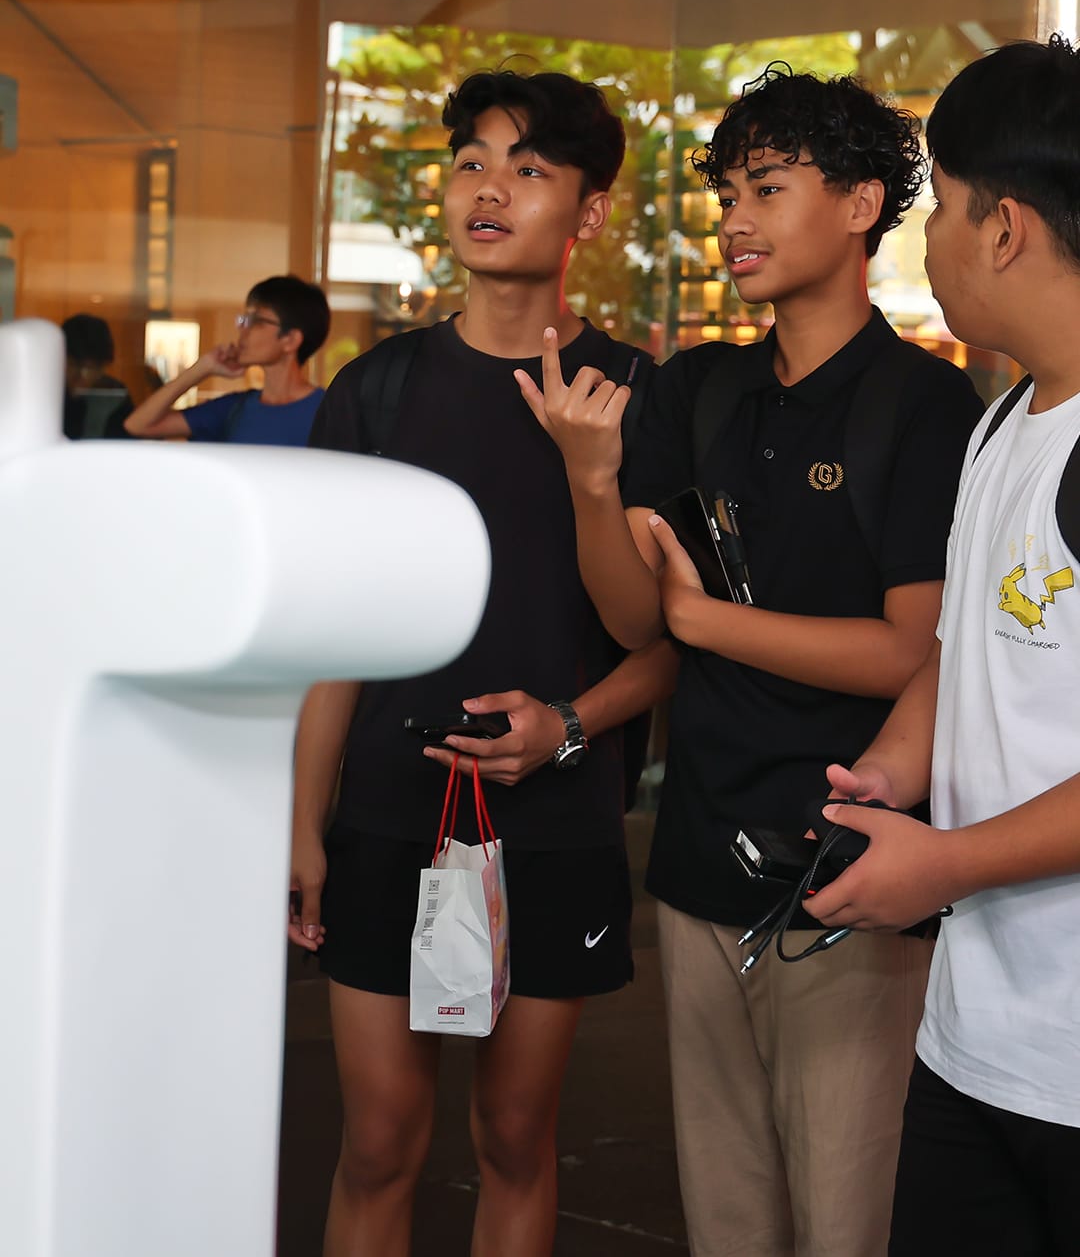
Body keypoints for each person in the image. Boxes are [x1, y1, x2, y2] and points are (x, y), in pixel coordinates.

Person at [518, 63, 984, 1257]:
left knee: (848, 1215)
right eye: (726, 192)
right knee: (725, 1214)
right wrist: (587, 479)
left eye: (766, 188)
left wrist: (710, 622)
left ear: (863, 204)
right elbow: (633, 617)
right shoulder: (702, 388)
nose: (733, 219)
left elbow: (908, 656)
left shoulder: (923, 408)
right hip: (695, 861)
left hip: (848, 878)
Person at [288, 69, 677, 1257]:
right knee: (378, 1141)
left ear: (590, 213)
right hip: (390, 816)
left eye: (528, 167)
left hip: (554, 823)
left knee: (516, 1134)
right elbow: (331, 630)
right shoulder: (377, 389)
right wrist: (305, 822)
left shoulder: (634, 394)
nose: (488, 188)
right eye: (470, 161)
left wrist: (589, 471)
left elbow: (654, 638)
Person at [801, 36, 1080, 1257]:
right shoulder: (1002, 419)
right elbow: (962, 650)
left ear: (1004, 226)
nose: (933, 245)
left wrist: (950, 862)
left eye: (944, 212)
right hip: (975, 1044)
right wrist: (891, 772)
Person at [124, 274, 328, 446]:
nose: (242, 329)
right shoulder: (234, 408)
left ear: (290, 339)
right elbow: (138, 425)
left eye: (256, 321)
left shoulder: (328, 411)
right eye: (244, 319)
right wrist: (203, 367)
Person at [61, 312, 133, 439]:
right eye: (73, 364)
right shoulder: (46, 394)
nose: (81, 375)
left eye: (90, 367)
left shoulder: (114, 396)